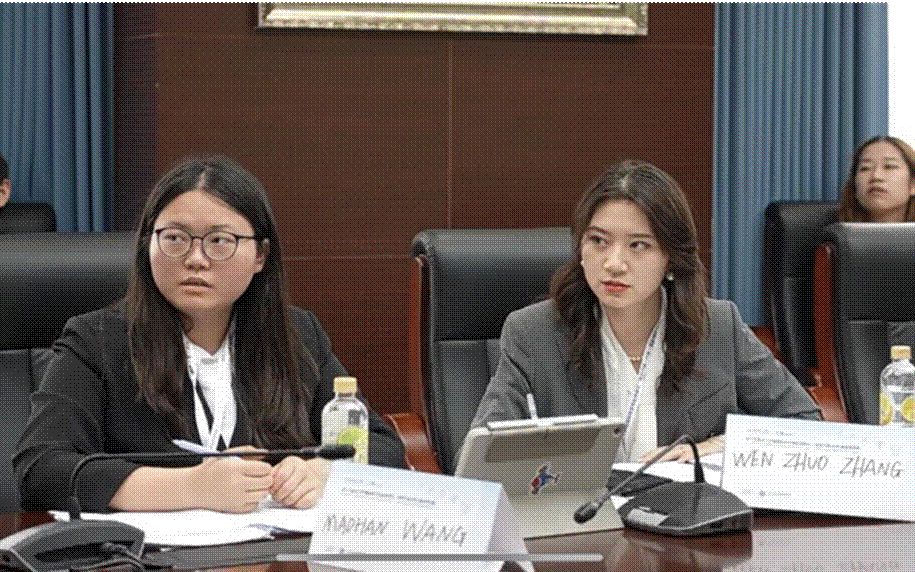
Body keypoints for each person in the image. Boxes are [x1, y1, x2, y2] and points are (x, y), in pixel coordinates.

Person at [15, 156, 406, 513]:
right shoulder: (96, 340)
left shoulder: (297, 335)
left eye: (220, 241)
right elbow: (41, 469)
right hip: (143, 554)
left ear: (260, 256)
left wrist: (324, 473)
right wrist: (188, 487)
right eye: (175, 239)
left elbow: (383, 444)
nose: (196, 259)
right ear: (148, 245)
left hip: (272, 551)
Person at [468, 160, 822, 463]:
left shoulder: (718, 327)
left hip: (686, 517)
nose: (614, 263)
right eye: (598, 241)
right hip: (579, 518)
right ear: (580, 249)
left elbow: (807, 426)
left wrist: (716, 447)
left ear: (671, 259)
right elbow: (475, 461)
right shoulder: (534, 332)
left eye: (638, 245)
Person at [839, 135, 915, 223]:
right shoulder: (829, 228)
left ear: (913, 184)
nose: (876, 176)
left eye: (889, 166)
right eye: (865, 168)